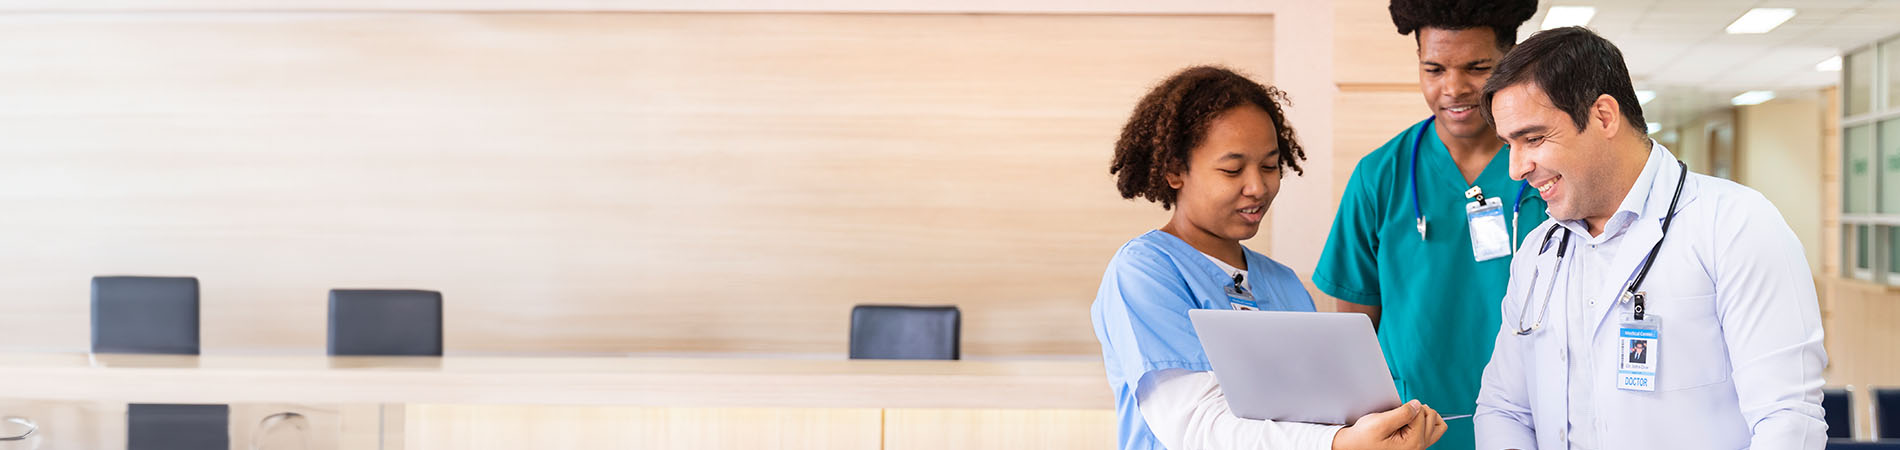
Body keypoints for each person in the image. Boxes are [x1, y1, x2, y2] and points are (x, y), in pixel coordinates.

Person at [1474, 27, 1828, 449]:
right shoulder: (1538, 251)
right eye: (1509, 144)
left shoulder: (1735, 224)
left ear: (1603, 116)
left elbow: (1788, 421)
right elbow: (1505, 408)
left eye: (1533, 139)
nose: (1516, 169)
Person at [1091, 65, 1446, 450]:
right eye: (1232, 170)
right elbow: (1194, 425)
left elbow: (1317, 415)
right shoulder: (1146, 271)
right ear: (1175, 171)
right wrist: (1340, 444)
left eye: (1269, 166)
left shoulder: (1283, 283)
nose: (1258, 187)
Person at [1312, 2, 1540, 448]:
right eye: (1434, 69)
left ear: (1509, 62)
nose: (1453, 88)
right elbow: (1354, 336)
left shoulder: (1545, 171)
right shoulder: (1379, 176)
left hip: (1533, 424)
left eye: (1477, 68)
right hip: (1411, 431)